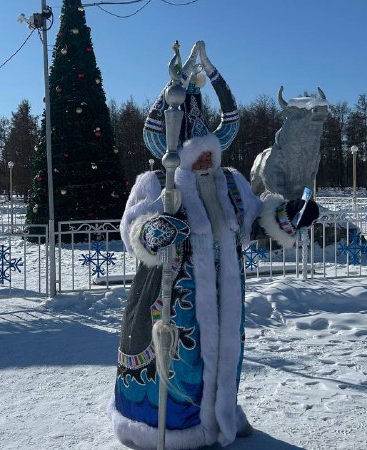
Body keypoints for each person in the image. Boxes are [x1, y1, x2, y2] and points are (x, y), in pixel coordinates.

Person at [109, 41, 319, 449]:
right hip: (171, 295)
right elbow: (132, 227)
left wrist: (289, 216)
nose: (206, 160)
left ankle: (220, 417)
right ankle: (173, 429)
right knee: (179, 362)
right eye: (198, 154)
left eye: (210, 153)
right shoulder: (158, 182)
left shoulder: (231, 182)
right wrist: (155, 231)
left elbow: (254, 222)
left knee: (224, 356)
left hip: (226, 293)